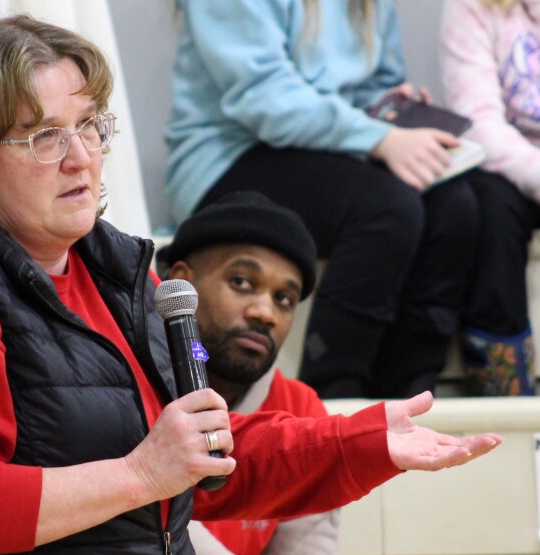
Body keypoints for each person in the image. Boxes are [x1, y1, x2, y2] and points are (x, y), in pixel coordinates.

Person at [0, 13, 502, 555]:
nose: (81, 158)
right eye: (44, 136)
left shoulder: (117, 273)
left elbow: (207, 460)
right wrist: (138, 473)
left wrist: (366, 442)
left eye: (89, 126)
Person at [164, 0, 480, 400]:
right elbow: (263, 96)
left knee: (454, 206)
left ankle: (412, 396)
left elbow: (371, 85)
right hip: (228, 156)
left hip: (332, 148)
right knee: (387, 207)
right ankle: (334, 395)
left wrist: (387, 109)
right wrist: (378, 137)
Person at [159, 191, 344, 555]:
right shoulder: (125, 376)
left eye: (284, 299)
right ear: (182, 282)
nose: (265, 312)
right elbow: (152, 537)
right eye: (242, 282)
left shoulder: (299, 410)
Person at [439, 0, 540, 395]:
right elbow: (477, 119)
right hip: (509, 163)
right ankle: (504, 394)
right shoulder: (469, 9)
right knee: (483, 211)